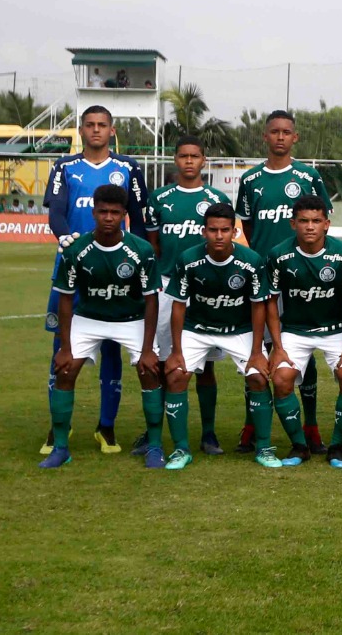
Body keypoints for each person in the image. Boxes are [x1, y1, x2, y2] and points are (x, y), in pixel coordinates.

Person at [42, 105, 149, 456]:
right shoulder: (65, 168)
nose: (96, 131)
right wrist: (65, 238)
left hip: (118, 269)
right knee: (63, 346)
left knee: (112, 346)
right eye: (89, 125)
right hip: (73, 268)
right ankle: (58, 426)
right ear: (81, 129)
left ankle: (107, 426)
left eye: (102, 125)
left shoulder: (128, 168)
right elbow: (56, 212)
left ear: (112, 129)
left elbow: (138, 217)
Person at [39, 185, 161, 468]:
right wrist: (65, 347)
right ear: (93, 213)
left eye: (115, 212)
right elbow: (66, 300)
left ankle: (154, 446)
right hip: (89, 318)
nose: (108, 217)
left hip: (132, 319)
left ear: (123, 216)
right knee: (65, 370)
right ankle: (60, 447)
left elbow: (151, 301)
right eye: (103, 212)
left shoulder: (140, 250)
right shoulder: (76, 250)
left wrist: (147, 350)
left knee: (150, 371)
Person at [235, 109, 332, 453]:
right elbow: (248, 228)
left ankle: (311, 425)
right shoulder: (250, 180)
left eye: (286, 132)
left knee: (303, 348)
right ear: (265, 136)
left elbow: (321, 218)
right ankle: (251, 424)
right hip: (262, 275)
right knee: (258, 351)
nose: (279, 137)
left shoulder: (308, 177)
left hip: (300, 278)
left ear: (295, 138)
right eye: (273, 131)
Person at [133, 135, 231, 457]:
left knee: (206, 366)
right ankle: (154, 434)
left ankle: (208, 433)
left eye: (195, 156)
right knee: (163, 362)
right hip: (166, 286)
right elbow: (153, 245)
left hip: (205, 289)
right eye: (184, 156)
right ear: (175, 160)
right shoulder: (159, 198)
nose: (189, 161)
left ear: (204, 160)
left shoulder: (215, 197)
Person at [163, 203, 276, 469]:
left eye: (225, 230)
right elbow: (178, 306)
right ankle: (181, 450)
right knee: (176, 374)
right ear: (204, 231)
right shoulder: (188, 259)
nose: (218, 235)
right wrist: (176, 351)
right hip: (197, 328)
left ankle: (264, 448)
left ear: (234, 231)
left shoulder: (251, 261)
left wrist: (258, 351)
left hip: (239, 329)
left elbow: (258, 305)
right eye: (213, 230)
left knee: (258, 376)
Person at [265, 195, 342, 467]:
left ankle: (337, 447)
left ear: (327, 224)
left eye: (316, 221)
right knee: (281, 379)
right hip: (295, 330)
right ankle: (299, 446)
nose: (310, 227)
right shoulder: (278, 255)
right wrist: (278, 347)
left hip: (336, 330)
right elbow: (271, 303)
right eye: (303, 221)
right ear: (293, 223)